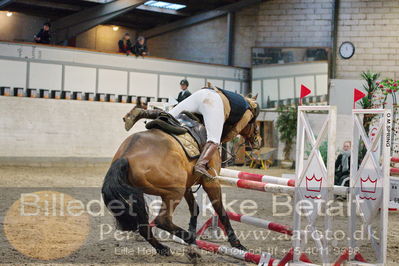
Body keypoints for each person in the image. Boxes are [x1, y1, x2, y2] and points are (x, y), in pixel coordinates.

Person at [123, 84, 259, 180]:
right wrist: (219, 140)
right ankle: (200, 165)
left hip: (201, 94)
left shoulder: (236, 99)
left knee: (170, 114)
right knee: (214, 139)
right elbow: (234, 131)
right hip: (213, 102)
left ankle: (142, 112)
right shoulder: (249, 113)